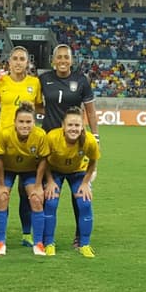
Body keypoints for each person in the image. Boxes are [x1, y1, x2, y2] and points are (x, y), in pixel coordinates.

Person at [39, 43, 99, 248]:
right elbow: (38, 104)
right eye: (59, 57)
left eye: (66, 57)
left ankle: (80, 237)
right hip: (51, 145)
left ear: (71, 60)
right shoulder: (44, 79)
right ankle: (40, 237)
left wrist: (95, 135)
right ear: (53, 61)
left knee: (80, 197)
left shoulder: (81, 80)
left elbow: (90, 111)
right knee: (47, 196)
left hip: (76, 142)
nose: (63, 61)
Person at [0, 46, 43, 247]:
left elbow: (39, 106)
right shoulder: (0, 82)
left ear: (27, 63)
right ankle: (0, 239)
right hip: (5, 145)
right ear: (9, 62)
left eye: (22, 59)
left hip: (28, 145)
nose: (19, 62)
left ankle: (27, 233)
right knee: (3, 192)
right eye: (15, 58)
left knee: (26, 192)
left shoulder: (34, 83)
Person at [43, 106, 100, 257]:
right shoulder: (52, 137)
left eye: (77, 125)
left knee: (85, 202)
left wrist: (85, 183)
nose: (73, 128)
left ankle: (84, 244)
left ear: (82, 127)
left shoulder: (89, 140)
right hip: (55, 171)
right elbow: (43, 161)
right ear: (63, 126)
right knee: (50, 202)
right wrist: (49, 180)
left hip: (78, 172)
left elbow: (93, 161)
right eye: (70, 125)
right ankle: (49, 243)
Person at [0, 102, 49, 256]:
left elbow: (44, 160)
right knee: (2, 197)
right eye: (21, 122)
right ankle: (0, 243)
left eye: (28, 122)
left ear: (34, 122)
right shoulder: (5, 134)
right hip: (7, 170)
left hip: (30, 171)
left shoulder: (40, 135)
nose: (25, 125)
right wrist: (1, 183)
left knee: (37, 199)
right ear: (15, 122)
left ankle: (38, 243)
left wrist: (38, 185)